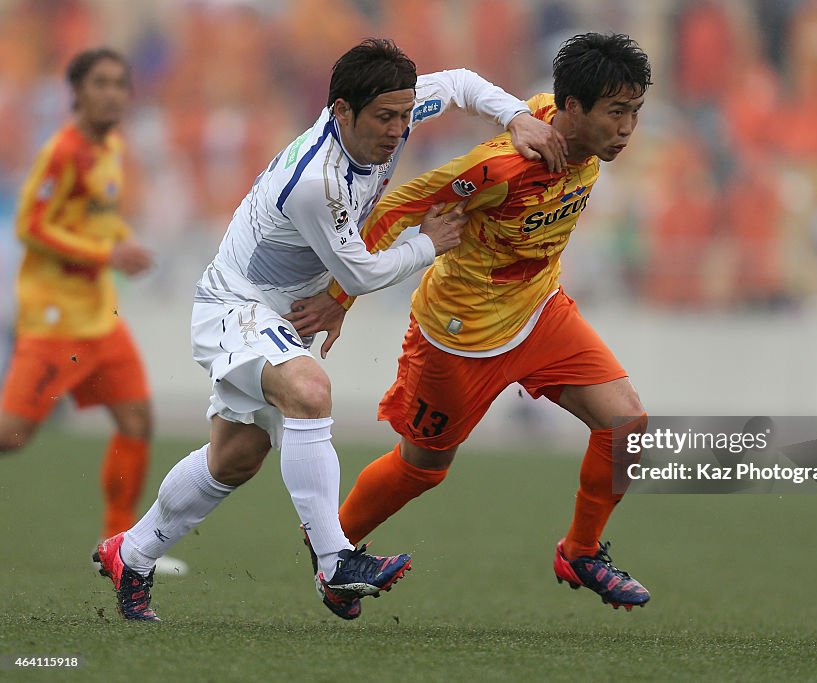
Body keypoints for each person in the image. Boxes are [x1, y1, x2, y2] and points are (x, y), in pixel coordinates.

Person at [93, 38, 566, 622]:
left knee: (236, 457)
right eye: (384, 118)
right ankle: (335, 561)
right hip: (235, 304)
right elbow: (358, 271)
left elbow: (465, 81)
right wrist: (428, 244)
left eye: (403, 114)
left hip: (276, 312)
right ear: (342, 112)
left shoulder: (397, 110)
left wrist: (517, 116)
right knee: (310, 390)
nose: (397, 130)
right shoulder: (317, 181)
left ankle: (130, 553)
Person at [290, 33, 653, 610]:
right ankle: (333, 549)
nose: (628, 127)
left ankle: (580, 551)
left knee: (627, 424)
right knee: (423, 468)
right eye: (617, 112)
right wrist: (340, 297)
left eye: (635, 111)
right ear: (574, 109)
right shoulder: (502, 167)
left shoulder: (569, 136)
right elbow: (396, 208)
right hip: (458, 334)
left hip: (539, 313)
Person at [0, 48, 187, 576]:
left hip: (100, 319)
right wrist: (108, 255)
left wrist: (126, 245)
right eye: (101, 83)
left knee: (136, 420)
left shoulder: (110, 147)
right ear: (76, 92)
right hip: (55, 324)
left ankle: (122, 547)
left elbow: (99, 221)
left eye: (121, 84)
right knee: (11, 436)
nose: (113, 93)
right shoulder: (62, 151)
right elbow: (29, 227)